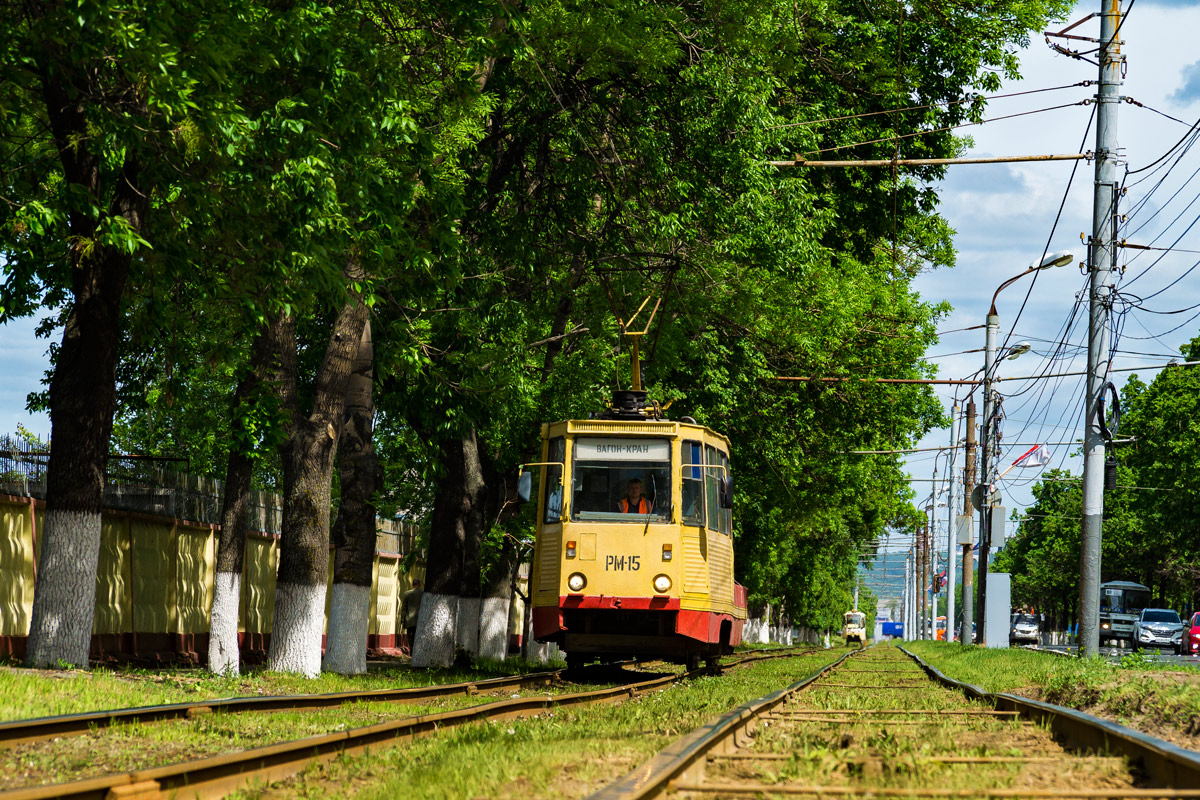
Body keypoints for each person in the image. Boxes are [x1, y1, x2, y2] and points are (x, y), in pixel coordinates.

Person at [400, 579, 423, 655]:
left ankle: (412, 652)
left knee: (410, 636)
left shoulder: (407, 594)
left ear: (413, 585)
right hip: (420, 620)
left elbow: (404, 608)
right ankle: (417, 652)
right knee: (418, 636)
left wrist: (402, 619)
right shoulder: (423, 594)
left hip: (409, 620)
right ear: (419, 585)